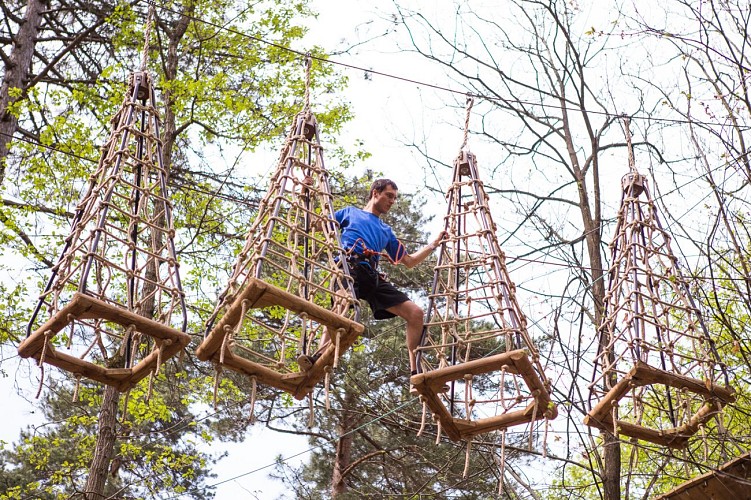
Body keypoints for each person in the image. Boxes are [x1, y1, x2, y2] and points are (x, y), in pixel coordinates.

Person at [298, 178, 446, 387]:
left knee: (416, 313)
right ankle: (317, 357)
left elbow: (409, 261)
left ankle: (416, 371)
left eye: (395, 197)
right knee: (341, 308)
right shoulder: (350, 213)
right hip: (349, 266)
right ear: (375, 193)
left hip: (371, 275)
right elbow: (319, 225)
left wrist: (433, 244)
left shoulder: (386, 231)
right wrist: (306, 193)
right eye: (389, 195)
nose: (392, 201)